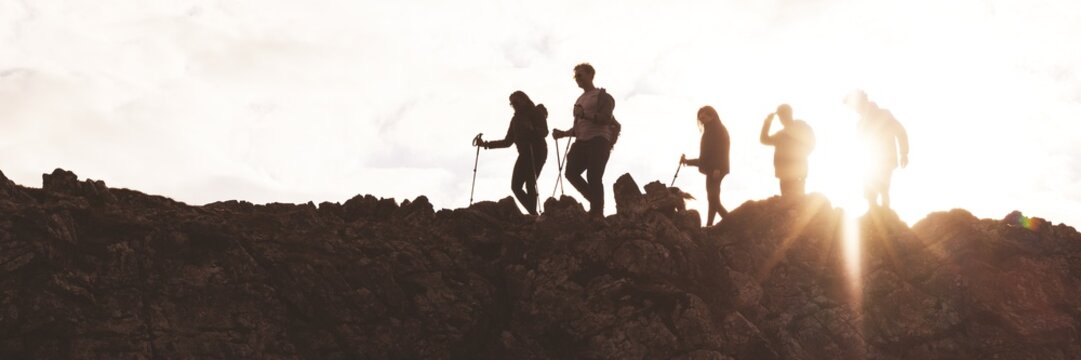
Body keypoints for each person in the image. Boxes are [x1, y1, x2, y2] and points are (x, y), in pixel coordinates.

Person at [552, 63, 619, 218]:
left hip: (599, 140)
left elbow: (605, 119)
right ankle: (596, 203)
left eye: (580, 75)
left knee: (593, 175)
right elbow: (579, 126)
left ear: (590, 74)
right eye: (575, 76)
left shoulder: (603, 96)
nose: (577, 79)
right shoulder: (580, 99)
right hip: (582, 142)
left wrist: (584, 115)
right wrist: (563, 134)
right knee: (571, 173)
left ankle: (597, 211)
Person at [478, 91, 549, 215]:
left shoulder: (536, 112)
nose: (514, 105)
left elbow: (545, 132)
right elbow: (507, 142)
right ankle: (533, 213)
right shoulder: (515, 119)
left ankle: (533, 214)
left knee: (530, 183)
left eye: (515, 102)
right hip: (525, 153)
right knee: (516, 186)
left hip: (537, 150)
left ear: (524, 100)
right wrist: (486, 144)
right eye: (512, 103)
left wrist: (532, 129)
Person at [846, 90, 909, 209]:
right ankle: (875, 215)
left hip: (885, 159)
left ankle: (885, 215)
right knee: (870, 194)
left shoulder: (884, 114)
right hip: (870, 161)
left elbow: (900, 131)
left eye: (855, 107)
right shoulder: (860, 123)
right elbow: (860, 144)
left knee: (882, 189)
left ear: (863, 102)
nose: (855, 110)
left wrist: (904, 152)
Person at [681, 106, 731, 226]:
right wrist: (687, 161)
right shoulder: (711, 130)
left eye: (704, 116)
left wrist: (718, 168)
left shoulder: (717, 130)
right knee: (713, 199)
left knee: (713, 199)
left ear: (712, 116)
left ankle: (731, 221)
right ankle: (710, 224)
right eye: (700, 117)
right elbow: (704, 159)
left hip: (716, 169)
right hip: (712, 169)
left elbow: (722, 150)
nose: (702, 119)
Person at [760, 104, 815, 198]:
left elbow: (811, 141)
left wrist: (802, 156)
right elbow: (764, 139)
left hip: (797, 172)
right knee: (787, 200)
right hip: (784, 174)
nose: (781, 118)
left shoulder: (800, 126)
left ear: (790, 114)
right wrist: (767, 122)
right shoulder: (781, 135)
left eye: (783, 114)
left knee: (797, 200)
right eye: (780, 116)